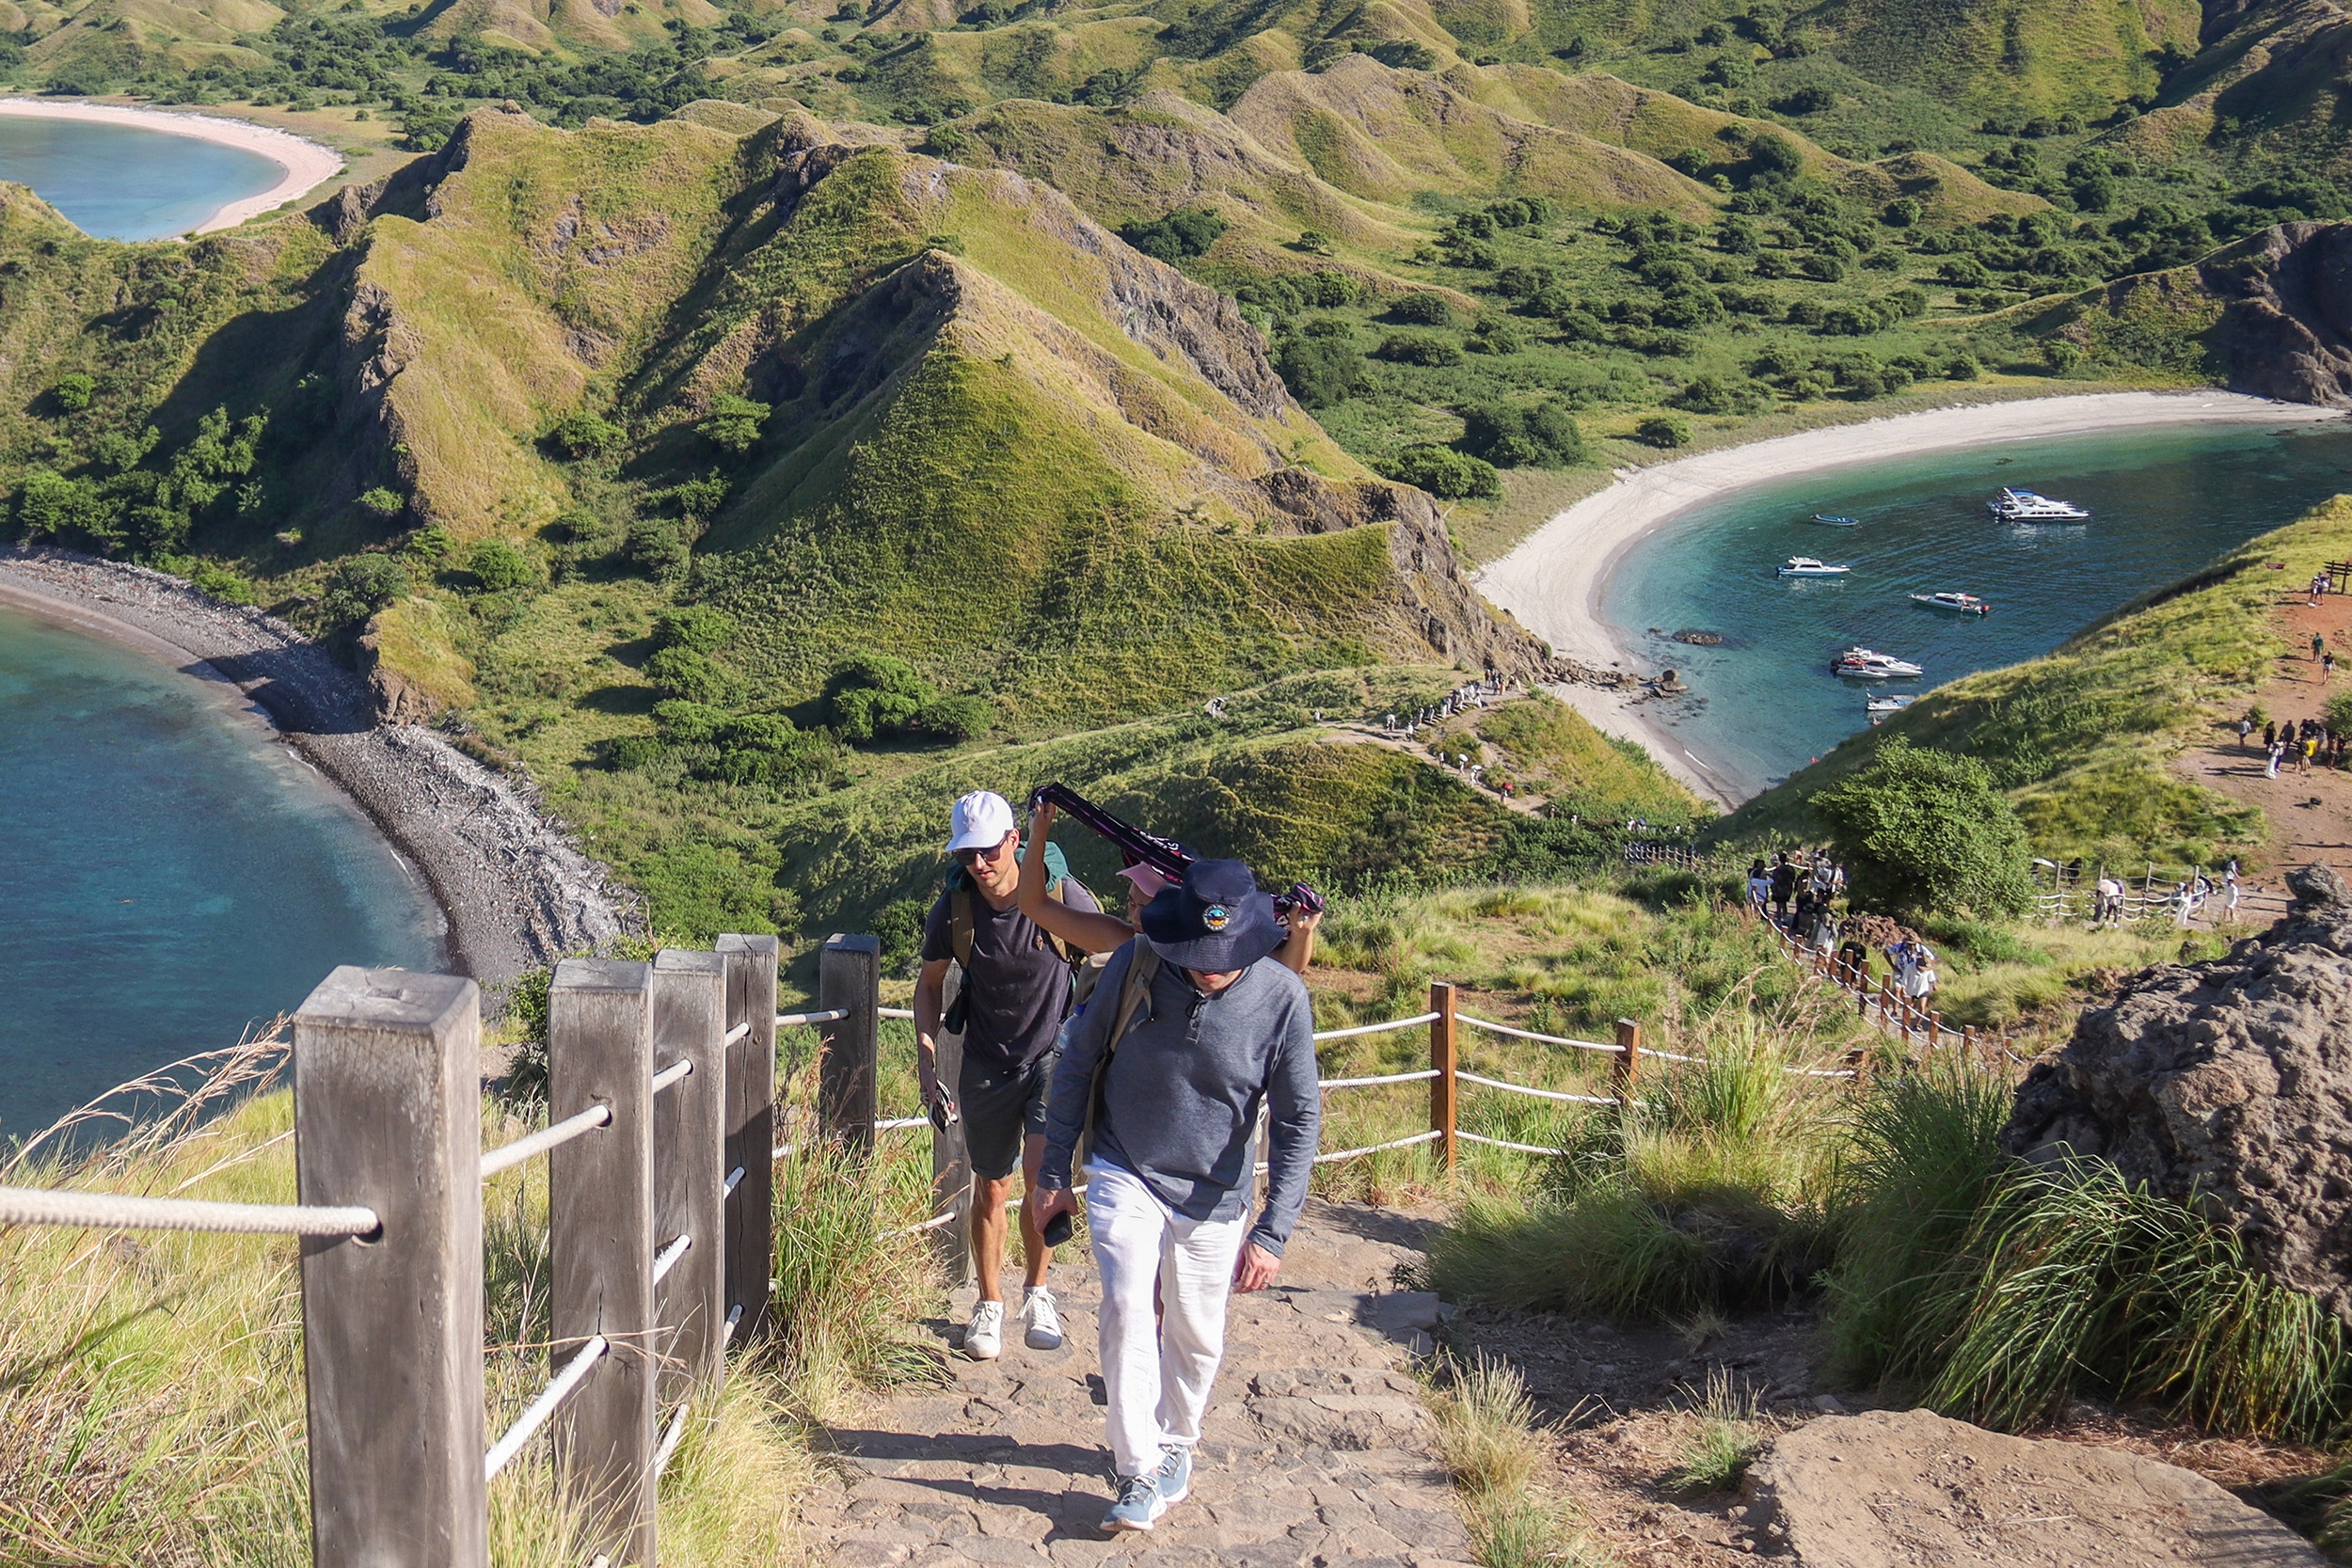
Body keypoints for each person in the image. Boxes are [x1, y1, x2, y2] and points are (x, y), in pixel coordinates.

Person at [1031, 860, 1320, 1534]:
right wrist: (1052, 1177)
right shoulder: (1139, 961)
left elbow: (1299, 1117)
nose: (1208, 967)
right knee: (1127, 1303)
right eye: (1197, 952)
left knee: (1195, 1331)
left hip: (1215, 1194)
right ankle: (1136, 1467)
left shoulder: (1282, 998)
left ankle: (1178, 1442)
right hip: (1124, 1164)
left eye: (1222, 956)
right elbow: (1075, 1061)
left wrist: (1273, 1230)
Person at [915, 790, 1104, 1361]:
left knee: (1042, 1178)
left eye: (989, 850)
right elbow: (928, 987)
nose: (979, 864)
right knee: (991, 1185)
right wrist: (927, 1067)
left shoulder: (1063, 897)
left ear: (1014, 841)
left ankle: (1038, 1293)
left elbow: (1112, 961)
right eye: (968, 853)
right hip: (985, 1064)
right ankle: (989, 1303)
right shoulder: (956, 911)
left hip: (1053, 1058)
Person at [1016, 797, 1324, 975]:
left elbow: (1286, 969)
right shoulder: (1128, 943)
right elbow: (1033, 905)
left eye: (1148, 907)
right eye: (1131, 903)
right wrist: (1039, 832)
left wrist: (1303, 933)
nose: (1136, 917)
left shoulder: (1220, 953)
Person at [1769, 853, 1796, 924]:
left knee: (1778, 905)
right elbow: (1793, 879)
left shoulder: (1777, 870)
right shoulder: (1790, 869)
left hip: (1778, 889)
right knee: (1784, 904)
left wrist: (1773, 888)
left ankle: (1779, 919)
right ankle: (1785, 919)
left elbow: (1774, 880)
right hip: (1787, 889)